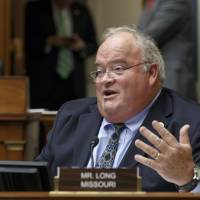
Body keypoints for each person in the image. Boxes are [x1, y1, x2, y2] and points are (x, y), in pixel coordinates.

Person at [35, 25, 200, 192]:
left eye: (118, 69)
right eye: (99, 71)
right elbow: (35, 180)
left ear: (151, 73)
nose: (105, 79)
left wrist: (188, 179)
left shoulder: (191, 122)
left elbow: (193, 182)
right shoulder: (71, 116)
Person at [25, 0, 97, 110]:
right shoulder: (35, 9)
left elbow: (93, 44)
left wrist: (81, 46)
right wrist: (48, 42)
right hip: (44, 82)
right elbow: (25, 41)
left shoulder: (82, 11)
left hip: (74, 81)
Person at [137, 0, 197, 100]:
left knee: (178, 111)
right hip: (157, 70)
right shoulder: (151, 3)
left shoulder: (176, 1)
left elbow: (151, 35)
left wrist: (126, 43)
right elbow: (141, 31)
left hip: (173, 73)